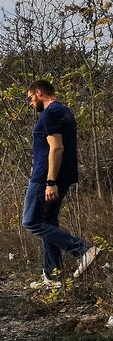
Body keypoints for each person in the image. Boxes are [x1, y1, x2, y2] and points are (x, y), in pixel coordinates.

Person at [22, 80, 102, 287]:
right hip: (60, 177)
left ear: (39, 93)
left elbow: (56, 148)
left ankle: (82, 249)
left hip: (46, 178)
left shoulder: (50, 113)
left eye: (30, 98)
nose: (31, 103)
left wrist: (50, 181)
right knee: (48, 221)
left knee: (31, 221)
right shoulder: (65, 111)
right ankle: (53, 277)